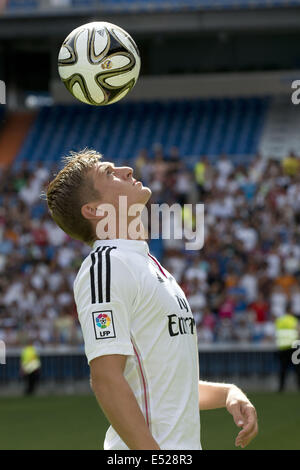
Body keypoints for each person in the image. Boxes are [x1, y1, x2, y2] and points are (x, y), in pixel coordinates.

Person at [46, 149, 258, 450]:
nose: (127, 170)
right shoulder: (106, 266)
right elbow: (106, 378)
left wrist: (227, 394)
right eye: (109, 173)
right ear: (93, 210)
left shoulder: (147, 264)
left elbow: (164, 387)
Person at [275, 310, 300, 392]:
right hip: (293, 347)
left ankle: (281, 388)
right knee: (297, 369)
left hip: (282, 347)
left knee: (283, 369)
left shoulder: (279, 321)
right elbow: (298, 332)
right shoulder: (293, 320)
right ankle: (298, 386)